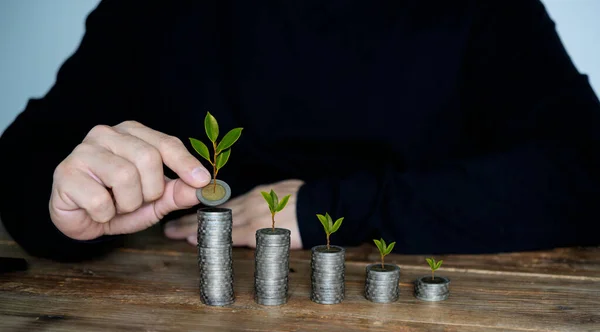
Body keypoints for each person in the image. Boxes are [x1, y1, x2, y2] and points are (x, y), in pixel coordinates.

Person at [0, 0, 599, 262]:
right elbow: (28, 157)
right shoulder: (158, 8)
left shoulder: (482, 9)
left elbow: (587, 169)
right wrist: (59, 202)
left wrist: (330, 206)